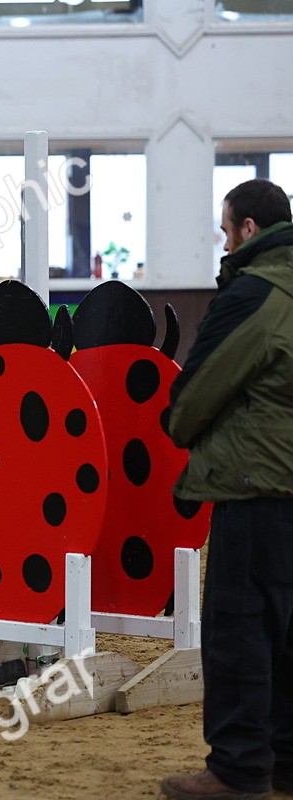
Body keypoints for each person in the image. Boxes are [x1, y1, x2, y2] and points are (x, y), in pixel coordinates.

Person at [162, 178, 293, 800]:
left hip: (254, 485)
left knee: (240, 629)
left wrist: (179, 422)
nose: (222, 239)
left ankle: (240, 768)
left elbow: (192, 398)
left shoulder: (256, 292)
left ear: (246, 230)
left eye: (224, 228)